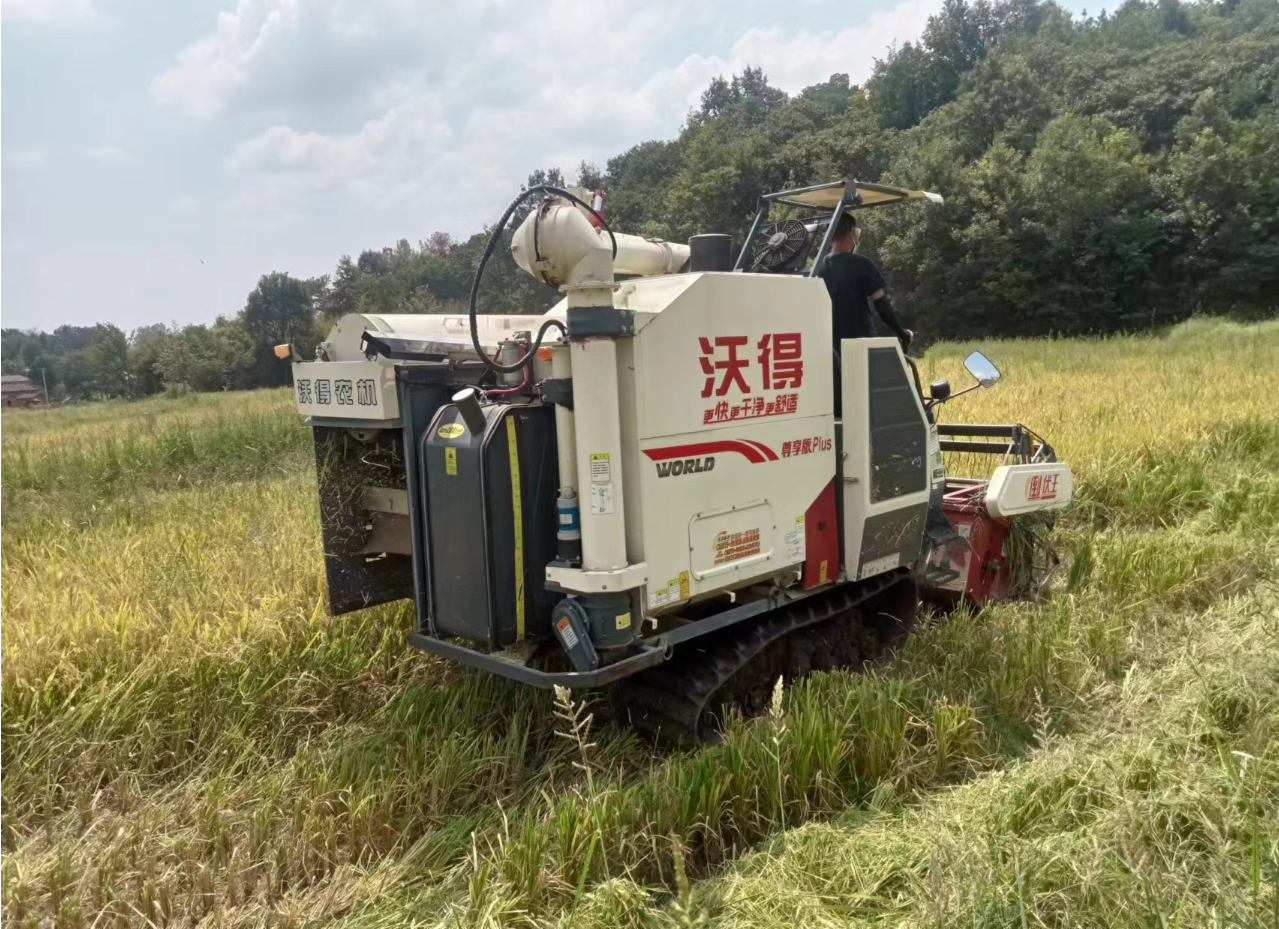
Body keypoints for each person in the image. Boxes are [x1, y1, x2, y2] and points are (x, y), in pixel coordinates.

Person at [818, 211, 913, 352]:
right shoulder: (862, 264)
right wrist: (902, 333)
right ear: (853, 234)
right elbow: (882, 306)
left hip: (829, 349)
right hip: (860, 345)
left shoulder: (817, 268)